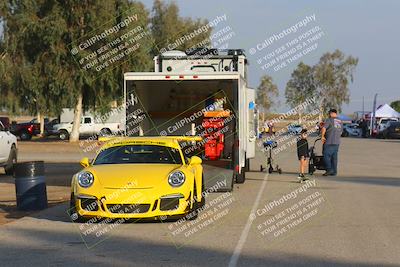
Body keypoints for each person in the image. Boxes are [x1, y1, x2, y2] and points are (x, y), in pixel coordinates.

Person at [321, 109, 343, 176]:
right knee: (334, 157)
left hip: (329, 141)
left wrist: (322, 136)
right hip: (337, 142)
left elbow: (324, 128)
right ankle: (334, 171)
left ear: (331, 113)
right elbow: (341, 132)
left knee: (326, 155)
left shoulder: (329, 120)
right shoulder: (340, 121)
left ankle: (329, 169)